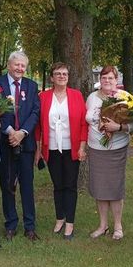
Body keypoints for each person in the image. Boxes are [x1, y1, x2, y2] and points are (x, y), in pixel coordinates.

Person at [0, 51, 40, 241]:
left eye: (23, 65)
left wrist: (22, 133)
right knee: (7, 185)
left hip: (25, 143)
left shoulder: (32, 86)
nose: (20, 68)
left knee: (27, 185)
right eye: (16, 65)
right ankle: (10, 224)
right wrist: (10, 131)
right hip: (5, 142)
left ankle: (30, 226)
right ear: (9, 65)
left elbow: (35, 112)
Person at [35, 62, 87, 240]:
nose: (61, 76)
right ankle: (59, 218)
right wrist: (38, 149)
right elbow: (38, 126)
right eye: (58, 74)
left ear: (68, 77)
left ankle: (70, 223)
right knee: (58, 185)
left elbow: (82, 123)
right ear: (52, 77)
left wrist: (82, 147)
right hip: (51, 148)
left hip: (71, 147)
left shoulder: (76, 95)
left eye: (64, 73)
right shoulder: (43, 97)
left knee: (70, 186)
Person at [85, 66, 132, 240]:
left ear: (116, 79)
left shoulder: (125, 98)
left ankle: (118, 226)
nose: (107, 81)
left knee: (115, 188)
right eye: (104, 78)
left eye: (110, 78)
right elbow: (88, 120)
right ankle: (103, 225)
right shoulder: (92, 97)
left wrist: (118, 127)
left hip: (116, 149)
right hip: (96, 148)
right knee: (100, 188)